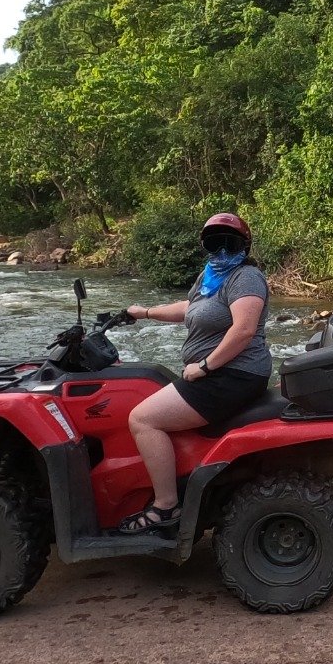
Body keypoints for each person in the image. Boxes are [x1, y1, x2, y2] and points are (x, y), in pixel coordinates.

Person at [118, 212, 271, 533]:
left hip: (234, 374)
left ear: (244, 247)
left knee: (142, 419)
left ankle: (165, 507)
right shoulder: (211, 276)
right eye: (215, 244)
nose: (222, 251)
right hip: (219, 373)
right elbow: (190, 308)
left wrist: (205, 365)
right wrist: (144, 312)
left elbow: (244, 330)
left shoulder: (246, 277)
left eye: (229, 244)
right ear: (205, 246)